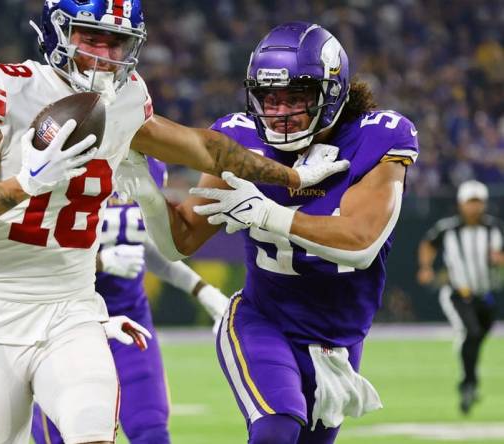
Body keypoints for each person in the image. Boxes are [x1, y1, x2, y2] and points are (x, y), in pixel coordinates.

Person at [0, 1, 347, 442]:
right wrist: (25, 183)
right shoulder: (4, 89)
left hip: (73, 312)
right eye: (92, 37)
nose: (106, 53)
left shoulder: (124, 98)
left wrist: (292, 175)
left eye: (118, 41)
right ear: (58, 31)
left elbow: (204, 148)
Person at [119, 21, 419, 444]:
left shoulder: (378, 137)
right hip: (263, 321)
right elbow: (179, 242)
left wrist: (269, 215)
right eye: (269, 98)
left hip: (339, 340)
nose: (279, 112)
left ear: (333, 91)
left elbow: (361, 242)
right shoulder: (240, 137)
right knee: (276, 426)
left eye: (295, 97)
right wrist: (151, 197)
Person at [30, 158, 230, 444]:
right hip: (68, 319)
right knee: (68, 433)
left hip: (130, 316)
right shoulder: (70, 160)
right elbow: (33, 252)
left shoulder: (151, 164)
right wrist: (99, 262)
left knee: (151, 429)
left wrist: (202, 290)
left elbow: (146, 244)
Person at [417, 179, 503, 414]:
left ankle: (470, 382)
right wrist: (426, 267)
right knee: (471, 333)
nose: (474, 207)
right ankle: (467, 386)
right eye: (470, 202)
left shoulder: (495, 228)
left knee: (477, 339)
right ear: (461, 204)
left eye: (478, 202)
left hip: (485, 295)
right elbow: (428, 243)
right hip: (458, 294)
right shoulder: (448, 228)